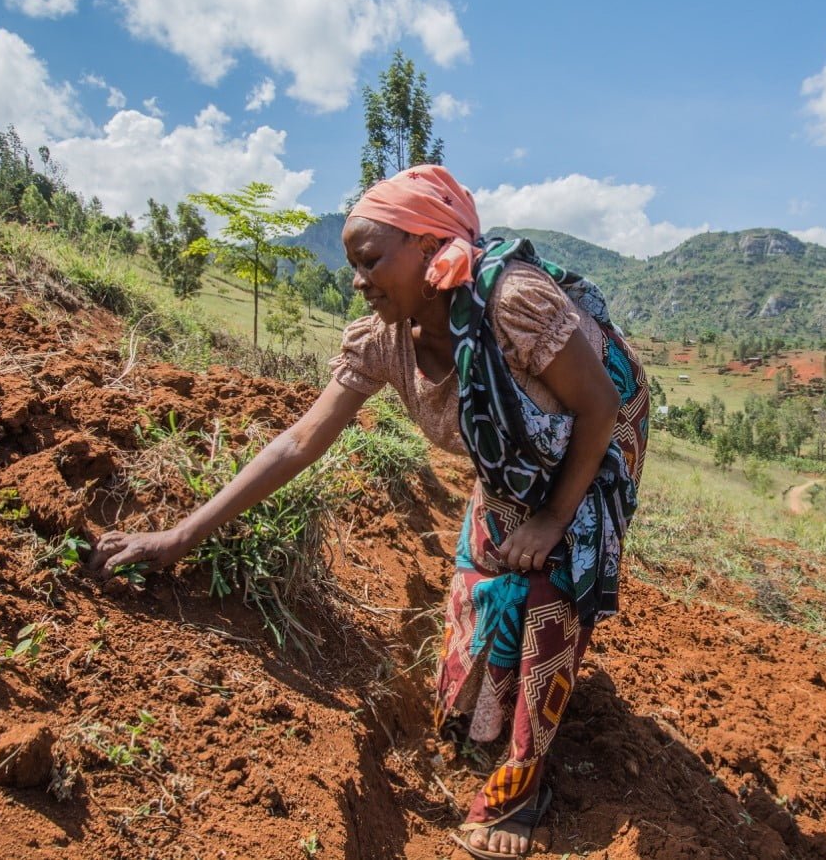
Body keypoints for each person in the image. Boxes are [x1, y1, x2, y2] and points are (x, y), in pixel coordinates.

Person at [92, 164, 648, 858]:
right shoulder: (385, 340)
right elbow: (298, 442)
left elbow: (598, 405)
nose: (358, 280)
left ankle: (521, 788)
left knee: (548, 585)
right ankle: (481, 707)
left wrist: (554, 518)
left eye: (370, 261)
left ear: (428, 247)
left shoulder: (513, 304)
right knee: (484, 567)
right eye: (353, 265)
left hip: (598, 430)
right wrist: (180, 536)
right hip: (512, 455)